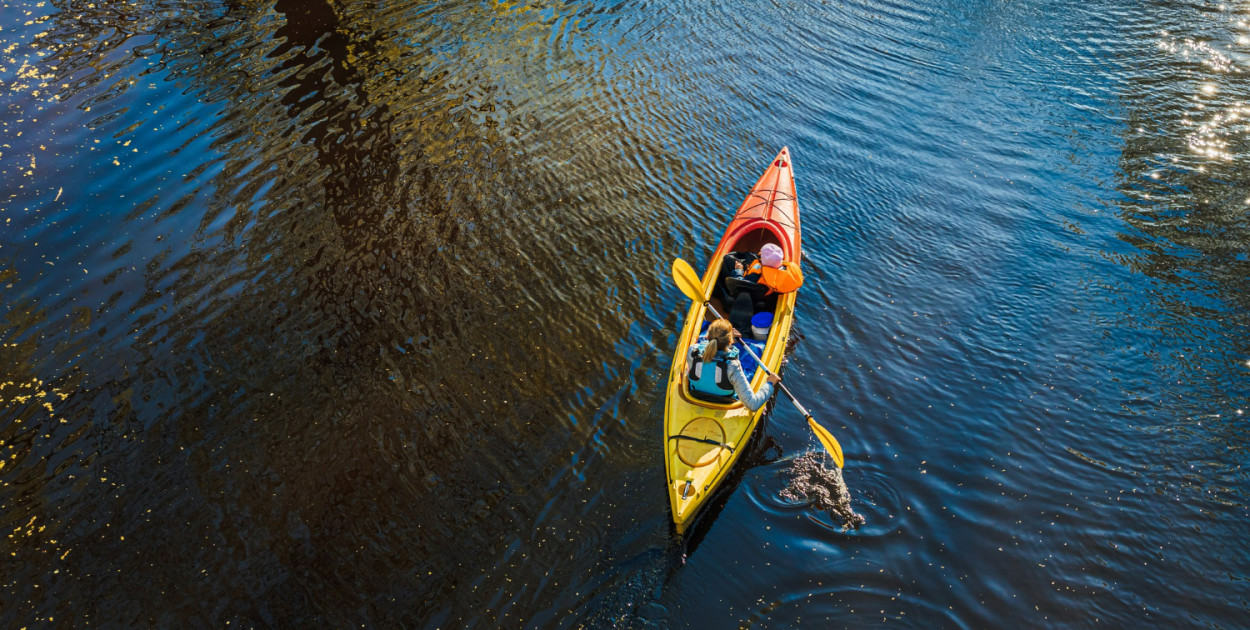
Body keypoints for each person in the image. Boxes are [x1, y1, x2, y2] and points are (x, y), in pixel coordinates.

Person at [692, 318, 781, 411]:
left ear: (707, 337)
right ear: (730, 342)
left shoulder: (692, 351)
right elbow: (753, 405)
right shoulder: (732, 365)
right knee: (758, 351)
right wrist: (770, 384)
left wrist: (726, 338)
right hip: (725, 400)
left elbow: (710, 348)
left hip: (696, 394)